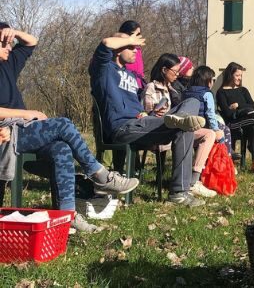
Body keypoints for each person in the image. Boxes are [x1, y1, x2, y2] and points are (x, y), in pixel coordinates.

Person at [0, 23, 139, 233]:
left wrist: (13, 33)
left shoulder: (8, 63)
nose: (10, 47)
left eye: (10, 43)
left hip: (23, 127)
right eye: (4, 43)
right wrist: (25, 114)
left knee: (61, 149)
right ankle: (100, 175)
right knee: (63, 124)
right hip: (8, 129)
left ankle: (66, 217)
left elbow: (32, 41)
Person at [89, 30, 207, 207]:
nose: (135, 50)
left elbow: (137, 108)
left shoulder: (130, 76)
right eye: (130, 47)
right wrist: (128, 38)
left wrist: (146, 114)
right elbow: (105, 42)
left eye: (135, 47)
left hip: (142, 123)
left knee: (191, 103)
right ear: (118, 49)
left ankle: (179, 192)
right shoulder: (103, 70)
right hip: (123, 128)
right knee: (184, 126)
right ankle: (179, 192)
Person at [144, 54, 217, 198]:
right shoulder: (151, 88)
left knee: (206, 128)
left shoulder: (174, 89)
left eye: (178, 72)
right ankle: (191, 183)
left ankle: (192, 181)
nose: (177, 75)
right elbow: (146, 116)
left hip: (176, 128)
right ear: (164, 70)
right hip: (159, 128)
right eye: (175, 71)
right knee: (202, 130)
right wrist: (155, 112)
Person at [215, 62, 254, 170]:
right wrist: (243, 110)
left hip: (248, 119)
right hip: (232, 123)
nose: (239, 78)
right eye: (237, 75)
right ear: (229, 74)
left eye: (241, 76)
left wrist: (238, 106)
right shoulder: (221, 92)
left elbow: (252, 106)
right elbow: (228, 113)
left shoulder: (243, 90)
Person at [182, 66, 233, 160]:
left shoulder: (186, 92)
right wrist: (216, 129)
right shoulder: (207, 94)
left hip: (188, 124)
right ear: (208, 81)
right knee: (225, 130)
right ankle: (226, 158)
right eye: (213, 79)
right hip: (204, 123)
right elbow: (210, 114)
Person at [118, 20, 147, 92]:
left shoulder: (138, 49)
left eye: (139, 34)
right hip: (125, 85)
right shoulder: (119, 49)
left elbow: (139, 69)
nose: (136, 37)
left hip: (138, 86)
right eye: (133, 34)